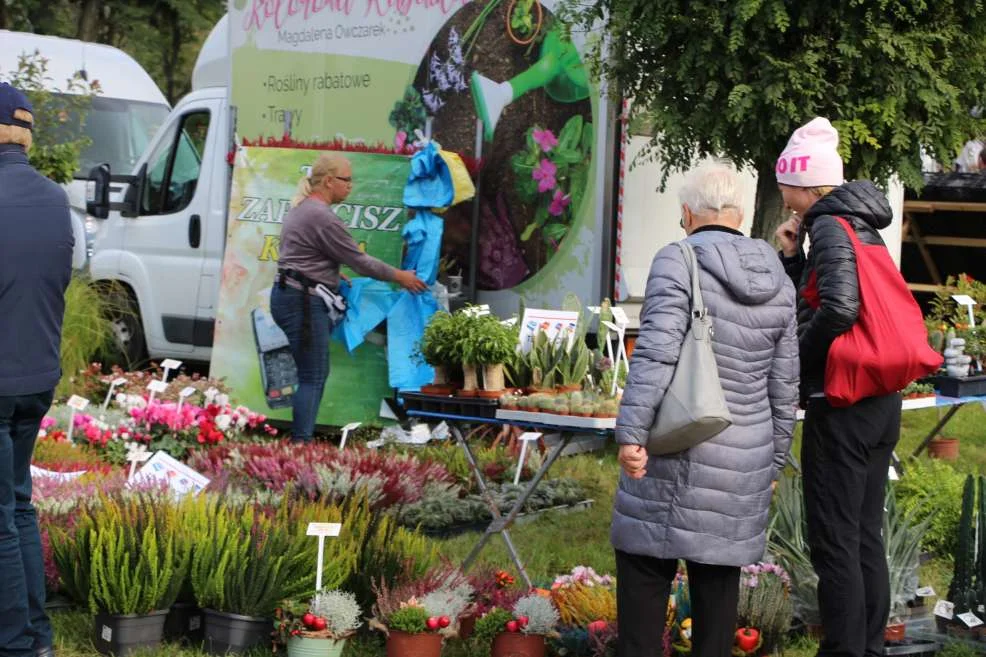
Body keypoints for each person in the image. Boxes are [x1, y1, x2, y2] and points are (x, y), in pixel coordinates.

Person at [613, 163, 799, 657]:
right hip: (744, 458)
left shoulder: (677, 260)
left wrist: (631, 433)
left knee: (644, 573)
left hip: (676, 445)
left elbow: (655, 353)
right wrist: (775, 460)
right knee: (718, 595)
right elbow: (784, 383)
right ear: (738, 214)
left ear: (687, 214)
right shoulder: (778, 277)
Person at [774, 117, 900, 657]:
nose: (781, 195)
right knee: (865, 534)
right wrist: (791, 258)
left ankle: (845, 650)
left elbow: (840, 307)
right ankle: (869, 647)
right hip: (881, 400)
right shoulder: (860, 223)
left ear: (803, 182)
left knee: (834, 539)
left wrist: (796, 358)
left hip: (843, 403)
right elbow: (824, 292)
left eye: (783, 183)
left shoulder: (828, 224)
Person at [271, 152, 426, 442]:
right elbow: (361, 262)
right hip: (302, 303)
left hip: (289, 296)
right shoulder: (322, 217)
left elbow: (300, 254)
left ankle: (299, 443)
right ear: (329, 181)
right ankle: (299, 446)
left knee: (311, 373)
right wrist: (401, 276)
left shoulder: (303, 209)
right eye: (347, 180)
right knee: (313, 376)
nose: (350, 186)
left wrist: (330, 273)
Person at [0, 82, 73, 657]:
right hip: (37, 376)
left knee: (2, 512)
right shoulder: (55, 198)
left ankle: (17, 644)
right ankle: (37, 636)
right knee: (19, 504)